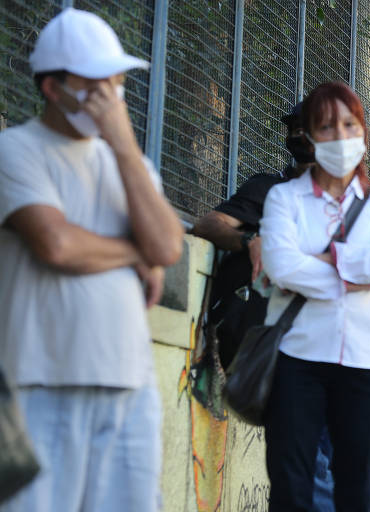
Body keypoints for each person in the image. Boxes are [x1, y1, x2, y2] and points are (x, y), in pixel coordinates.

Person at [0, 8, 183, 511]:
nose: (110, 93)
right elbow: (56, 244)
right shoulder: (15, 150)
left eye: (117, 80)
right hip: (40, 385)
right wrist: (132, 254)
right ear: (52, 87)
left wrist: (122, 142)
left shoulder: (132, 165)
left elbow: (167, 247)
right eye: (96, 82)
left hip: (130, 385)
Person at [260, 81, 370, 511]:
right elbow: (281, 265)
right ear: (310, 136)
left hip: (368, 363)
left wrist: (330, 259)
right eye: (326, 126)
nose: (340, 136)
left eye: (350, 124)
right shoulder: (284, 198)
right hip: (298, 359)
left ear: (364, 132)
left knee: (358, 490)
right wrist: (362, 268)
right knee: (291, 487)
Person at [192, 103, 335, 511]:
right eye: (295, 129)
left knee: (334, 470)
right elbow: (208, 224)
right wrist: (251, 239)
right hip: (287, 352)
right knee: (304, 472)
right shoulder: (269, 189)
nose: (300, 138)